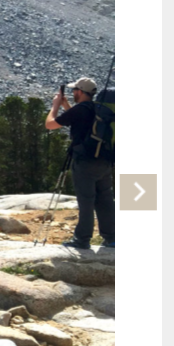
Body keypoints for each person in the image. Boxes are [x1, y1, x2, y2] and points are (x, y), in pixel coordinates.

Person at [45, 76, 115, 250]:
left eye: (74, 90)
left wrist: (55, 106)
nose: (72, 93)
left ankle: (82, 239)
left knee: (86, 201)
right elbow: (85, 126)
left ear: (80, 92)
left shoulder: (80, 110)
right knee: (105, 200)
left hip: (84, 162)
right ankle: (112, 238)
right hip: (104, 161)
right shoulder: (98, 109)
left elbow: (50, 125)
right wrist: (66, 106)